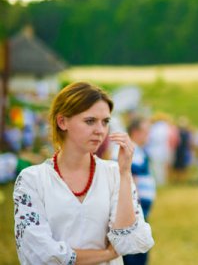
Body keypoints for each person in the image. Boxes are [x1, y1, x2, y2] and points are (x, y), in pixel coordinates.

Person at [13, 81, 154, 264]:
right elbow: (40, 254)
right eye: (90, 121)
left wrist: (125, 171)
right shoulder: (32, 180)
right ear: (62, 121)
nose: (100, 130)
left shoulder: (114, 173)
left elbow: (129, 241)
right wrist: (106, 255)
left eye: (105, 122)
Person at [122, 117, 156, 265]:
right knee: (134, 252)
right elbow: (129, 177)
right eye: (146, 131)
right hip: (133, 210)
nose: (148, 135)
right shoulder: (130, 149)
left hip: (139, 209)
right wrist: (134, 204)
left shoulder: (138, 149)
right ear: (136, 132)